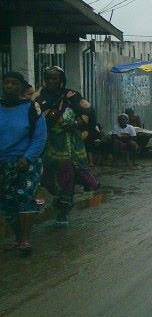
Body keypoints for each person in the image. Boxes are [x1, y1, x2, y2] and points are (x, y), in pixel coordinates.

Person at [36, 66, 95, 227]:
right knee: (47, 181)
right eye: (48, 78)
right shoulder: (38, 97)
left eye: (55, 78)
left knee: (67, 177)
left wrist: (77, 122)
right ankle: (59, 199)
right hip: (46, 144)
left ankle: (63, 211)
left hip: (70, 145)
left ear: (61, 80)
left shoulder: (71, 96)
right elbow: (33, 118)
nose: (51, 81)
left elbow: (88, 110)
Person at [1, 72, 47, 253]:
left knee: (24, 196)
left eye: (13, 83)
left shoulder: (31, 108)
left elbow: (40, 137)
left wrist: (27, 158)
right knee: (7, 201)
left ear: (21, 87)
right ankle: (18, 237)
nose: (9, 86)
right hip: (3, 163)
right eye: (6, 83)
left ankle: (26, 240)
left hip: (27, 162)